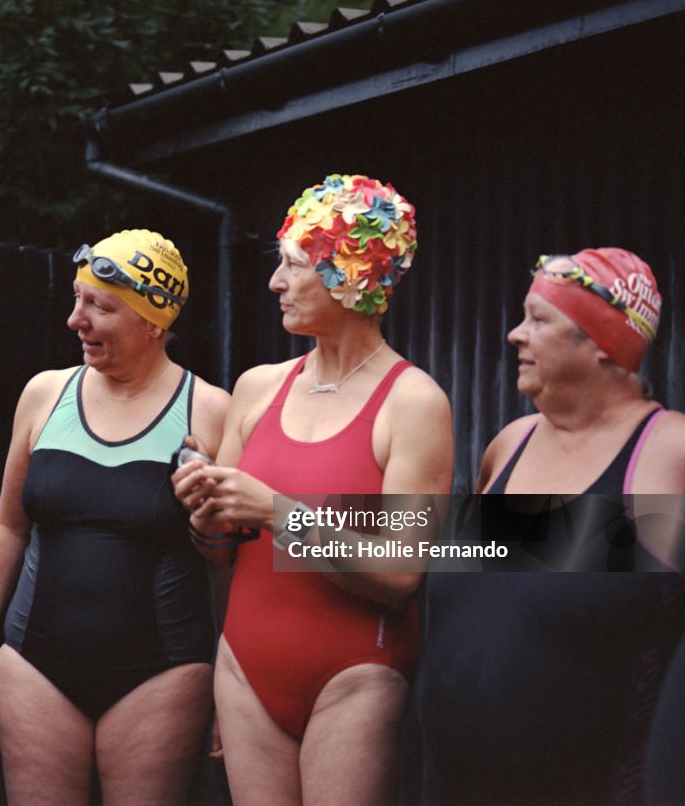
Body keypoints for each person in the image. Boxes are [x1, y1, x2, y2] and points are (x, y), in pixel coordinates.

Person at [173, 174, 453, 805]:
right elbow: (219, 551)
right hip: (244, 666)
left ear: (350, 276)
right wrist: (206, 516)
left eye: (294, 265)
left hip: (355, 674)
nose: (275, 282)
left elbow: (403, 573)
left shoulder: (413, 402)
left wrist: (274, 511)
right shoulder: (257, 386)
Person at [0, 230, 229, 804]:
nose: (75, 320)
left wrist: (233, 685)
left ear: (153, 321)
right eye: (77, 299)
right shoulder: (44, 395)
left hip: (163, 672)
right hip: (35, 666)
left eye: (98, 306)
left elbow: (231, 563)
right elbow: (8, 524)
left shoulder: (210, 411)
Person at [414, 247, 685, 805]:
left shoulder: (668, 454)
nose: (515, 334)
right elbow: (417, 555)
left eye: (539, 319)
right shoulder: (508, 446)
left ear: (606, 343)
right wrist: (287, 521)